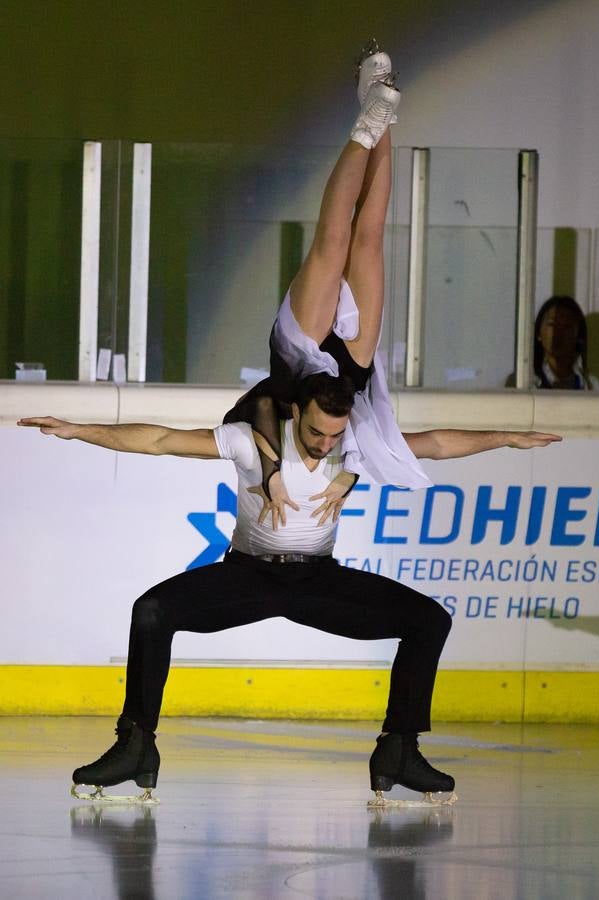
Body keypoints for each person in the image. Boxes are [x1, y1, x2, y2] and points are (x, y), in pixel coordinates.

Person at [18, 374, 561, 805]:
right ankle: (136, 745)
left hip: (318, 579)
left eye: (334, 436)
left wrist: (506, 438)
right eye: (316, 433)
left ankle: (399, 749)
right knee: (152, 611)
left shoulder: (352, 446)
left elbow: (435, 444)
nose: (325, 445)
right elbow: (160, 440)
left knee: (429, 620)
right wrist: (78, 430)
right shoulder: (252, 441)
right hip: (248, 575)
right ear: (296, 413)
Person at [224, 40, 432, 534]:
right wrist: (509, 437)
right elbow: (438, 443)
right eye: (325, 443)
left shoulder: (269, 439)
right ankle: (378, 107)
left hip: (298, 356)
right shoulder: (345, 459)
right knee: (368, 238)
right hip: (350, 375)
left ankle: (369, 124)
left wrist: (272, 472)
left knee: (335, 242)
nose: (322, 446)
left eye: (319, 440)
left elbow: (255, 408)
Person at [533, 295, 599, 390]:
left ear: (578, 335)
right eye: (552, 324)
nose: (558, 332)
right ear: (539, 333)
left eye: (567, 326)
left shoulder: (592, 386)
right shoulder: (526, 382)